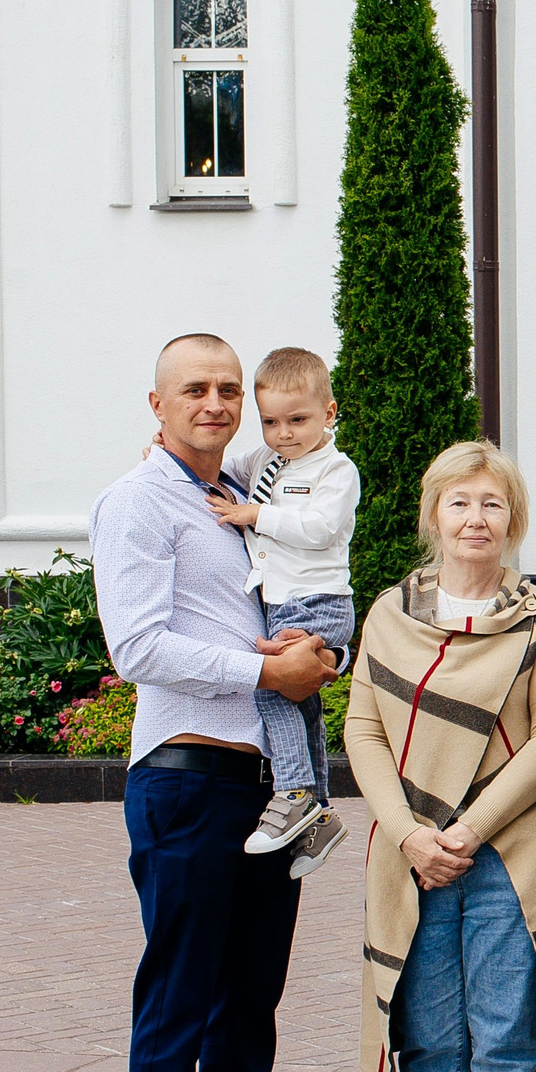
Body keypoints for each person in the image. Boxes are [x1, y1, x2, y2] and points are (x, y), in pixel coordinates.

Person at [91, 333, 349, 1072]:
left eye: (228, 388)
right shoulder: (137, 503)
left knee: (250, 996)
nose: (215, 402)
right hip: (187, 778)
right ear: (156, 405)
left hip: (260, 784)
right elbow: (139, 649)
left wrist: (311, 657)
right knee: (181, 996)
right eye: (194, 388)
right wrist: (264, 670)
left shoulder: (249, 494)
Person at [343, 442, 536, 1072]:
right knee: (427, 1025)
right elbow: (363, 728)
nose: (476, 518)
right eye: (460, 502)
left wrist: (469, 828)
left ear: (511, 518)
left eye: (491, 504)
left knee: (507, 1027)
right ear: (433, 515)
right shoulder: (389, 614)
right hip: (412, 855)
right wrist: (412, 834)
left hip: (508, 852)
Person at [211, 346, 358, 878]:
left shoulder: (336, 470)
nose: (284, 433)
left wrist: (256, 514)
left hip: (317, 603)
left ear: (329, 412)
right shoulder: (264, 461)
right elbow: (218, 467)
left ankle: (292, 788)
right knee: (300, 707)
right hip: (279, 603)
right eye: (271, 421)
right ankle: (317, 812)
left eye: (298, 420)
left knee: (270, 686)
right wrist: (160, 450)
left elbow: (319, 529)